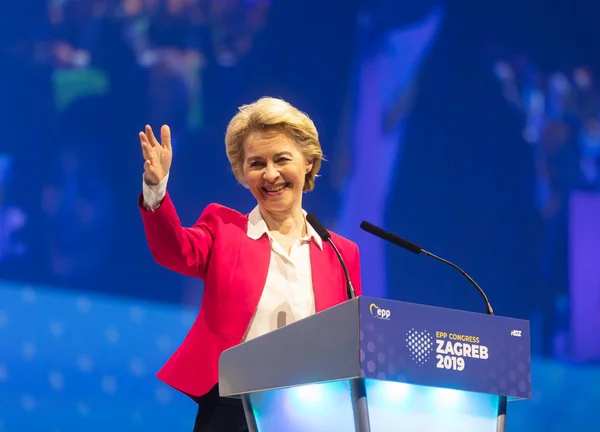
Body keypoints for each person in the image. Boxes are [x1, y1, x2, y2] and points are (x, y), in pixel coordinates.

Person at [138, 96, 363, 432]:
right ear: (243, 173)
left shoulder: (341, 252)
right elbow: (175, 250)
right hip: (234, 407)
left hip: (315, 411)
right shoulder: (224, 229)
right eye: (256, 163)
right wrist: (156, 187)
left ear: (309, 162)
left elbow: (352, 340)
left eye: (281, 159)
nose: (270, 174)